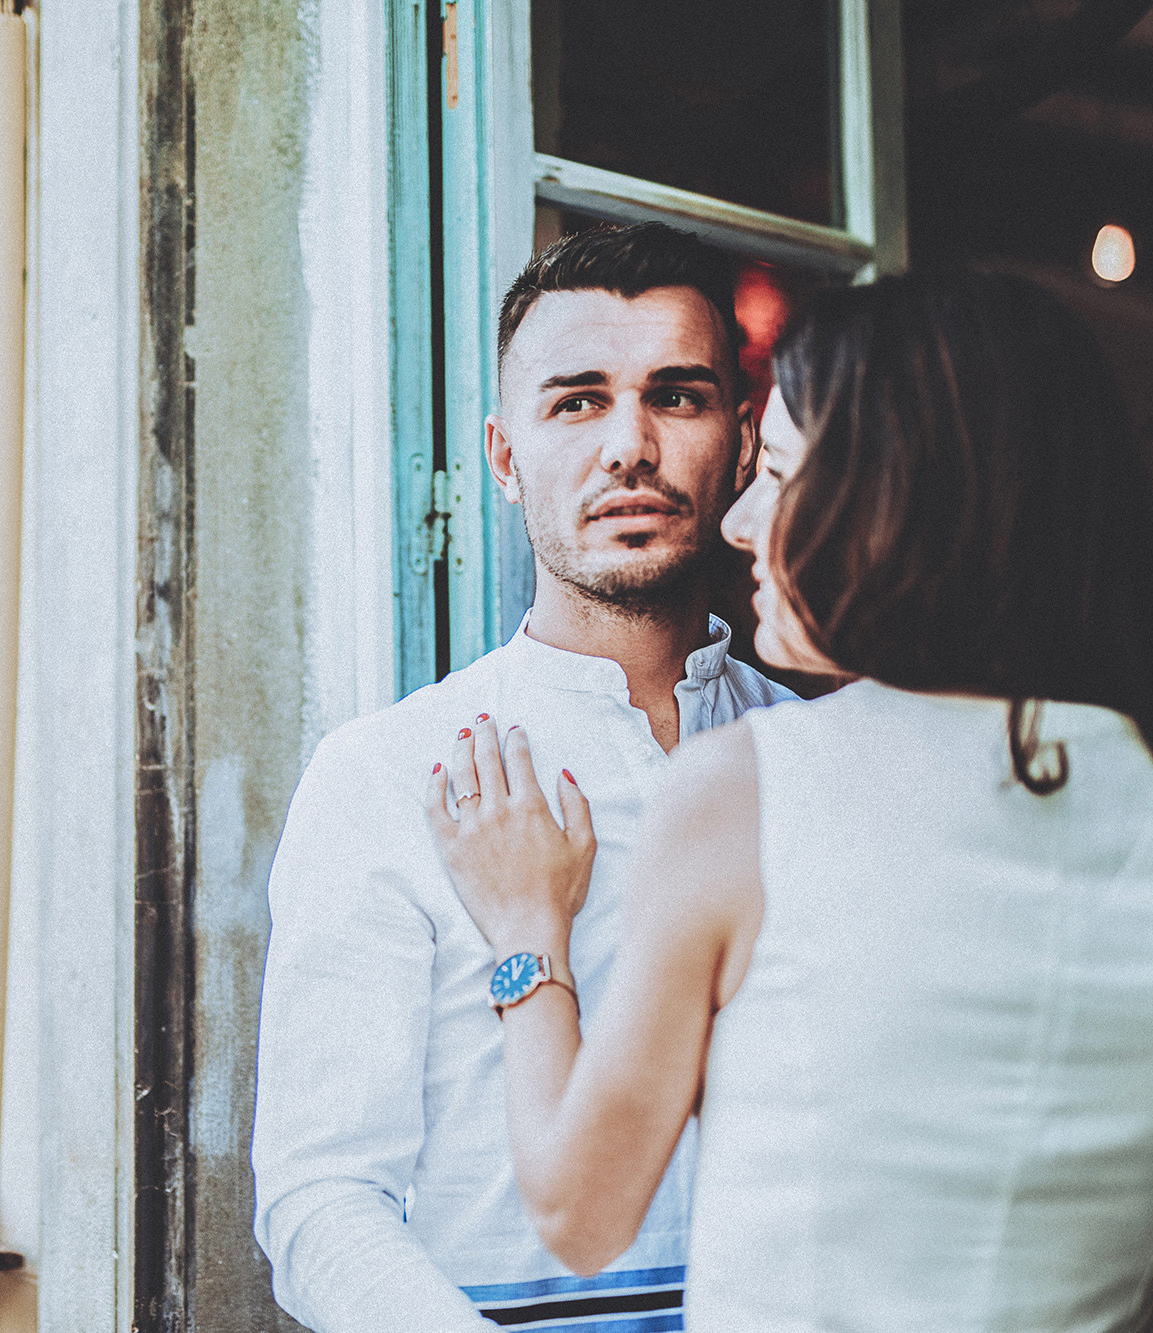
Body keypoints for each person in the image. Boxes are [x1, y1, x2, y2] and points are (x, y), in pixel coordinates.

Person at [427, 271, 1153, 1331]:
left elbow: (579, 1210)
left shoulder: (748, 789)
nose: (743, 521)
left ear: (908, 503)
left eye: (784, 473)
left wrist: (527, 932)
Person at [251, 223, 795, 1332]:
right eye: (577, 402)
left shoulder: (814, 755)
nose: (628, 447)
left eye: (677, 397)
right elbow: (320, 1201)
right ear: (503, 459)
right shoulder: (385, 773)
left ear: (742, 444)